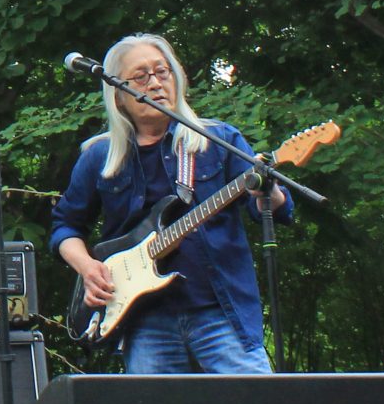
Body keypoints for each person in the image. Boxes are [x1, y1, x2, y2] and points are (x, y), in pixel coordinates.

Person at [50, 32, 291, 374]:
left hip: (220, 311)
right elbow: (65, 226)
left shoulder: (219, 141)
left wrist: (269, 192)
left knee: (255, 403)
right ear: (119, 94)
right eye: (141, 76)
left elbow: (271, 208)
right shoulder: (99, 157)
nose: (155, 83)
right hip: (144, 320)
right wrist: (88, 268)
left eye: (162, 72)